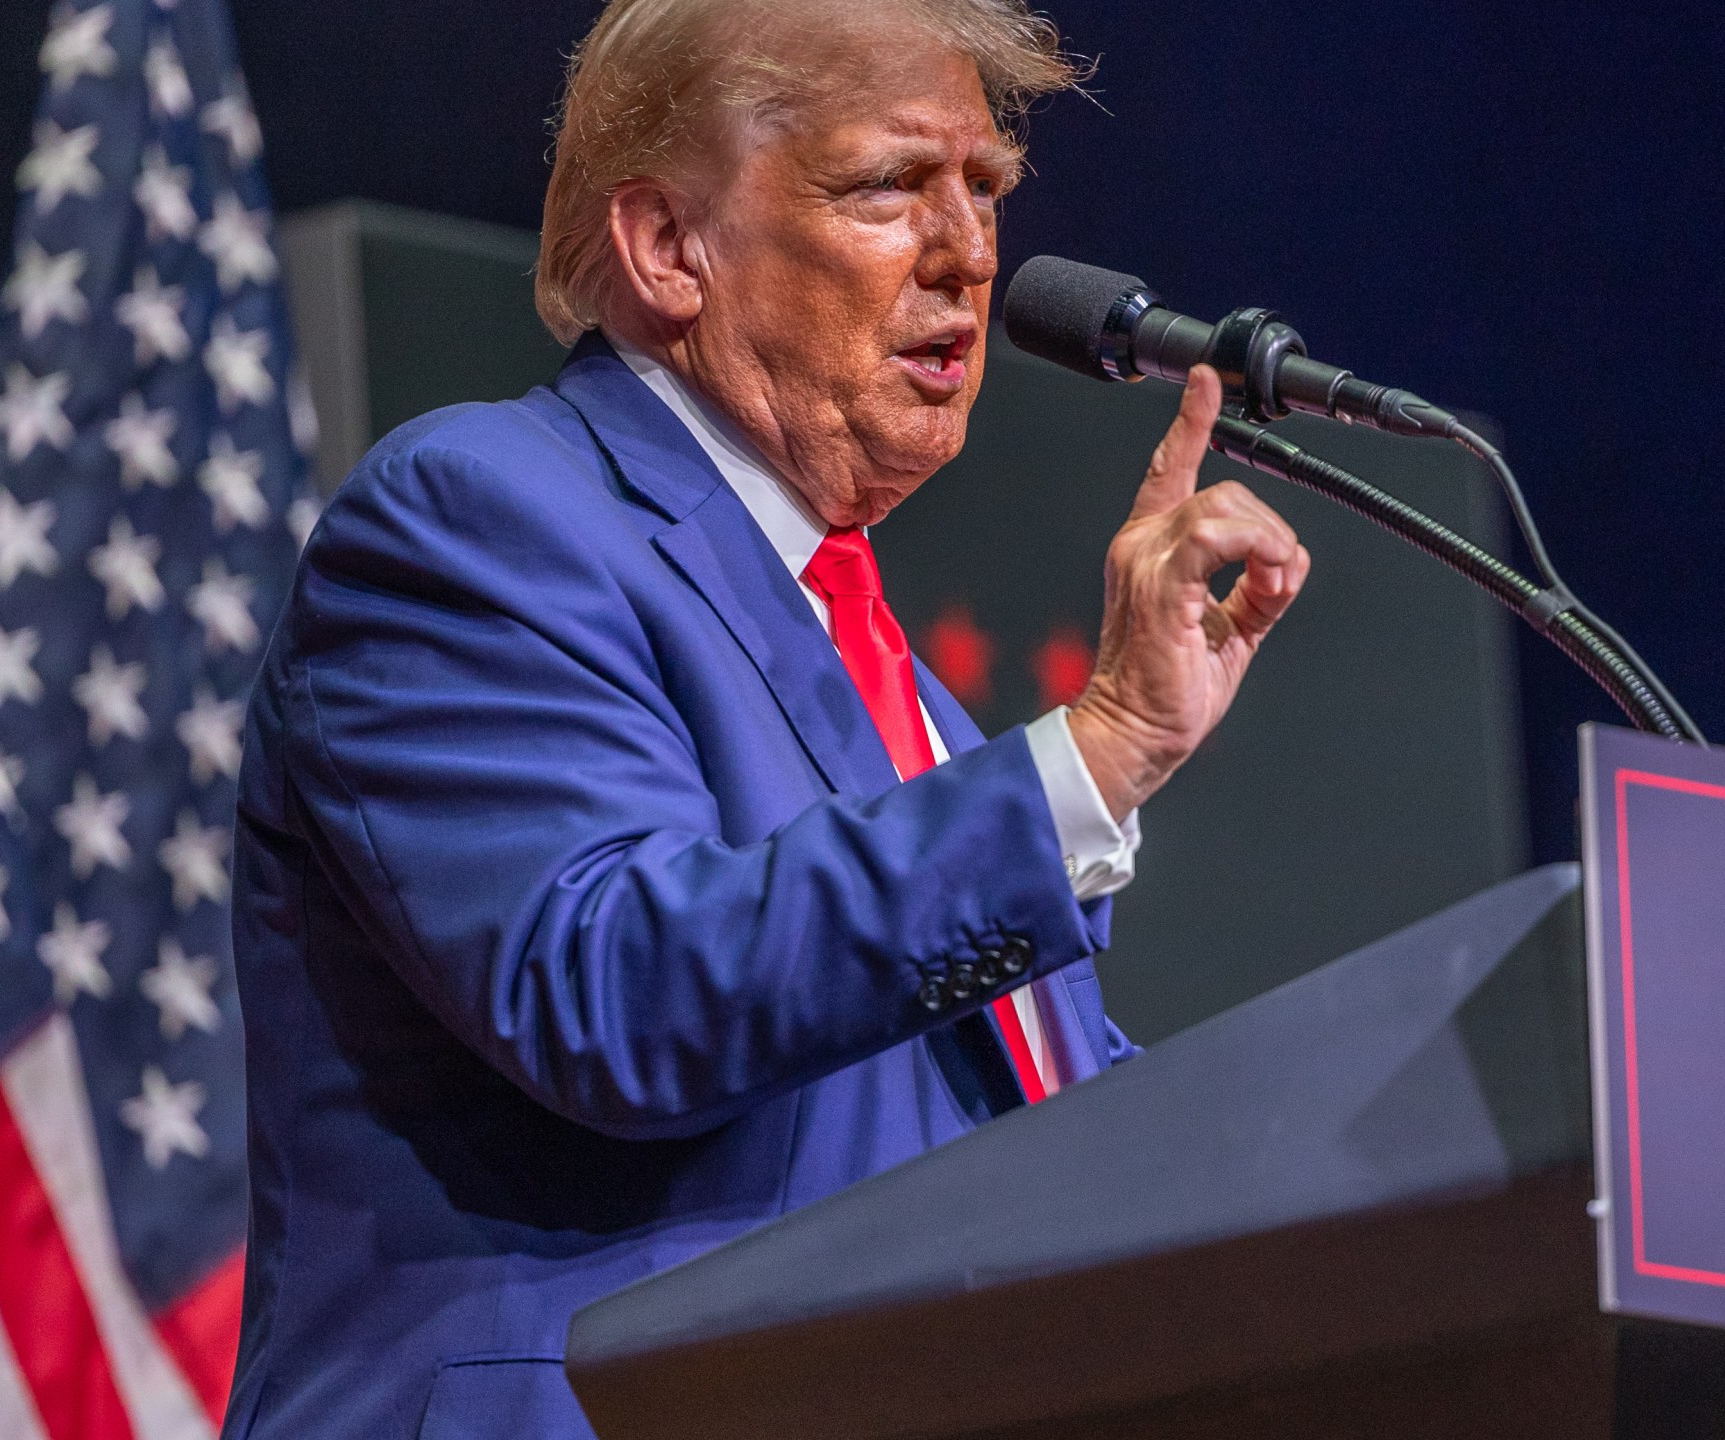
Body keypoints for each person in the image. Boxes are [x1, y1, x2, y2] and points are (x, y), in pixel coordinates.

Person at [219, 1, 1310, 1435]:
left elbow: (1039, 1146)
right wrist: (1097, 750)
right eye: (887, 185)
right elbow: (612, 986)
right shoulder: (475, 520)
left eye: (981, 189)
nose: (971, 252)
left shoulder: (896, 695)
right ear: (670, 247)